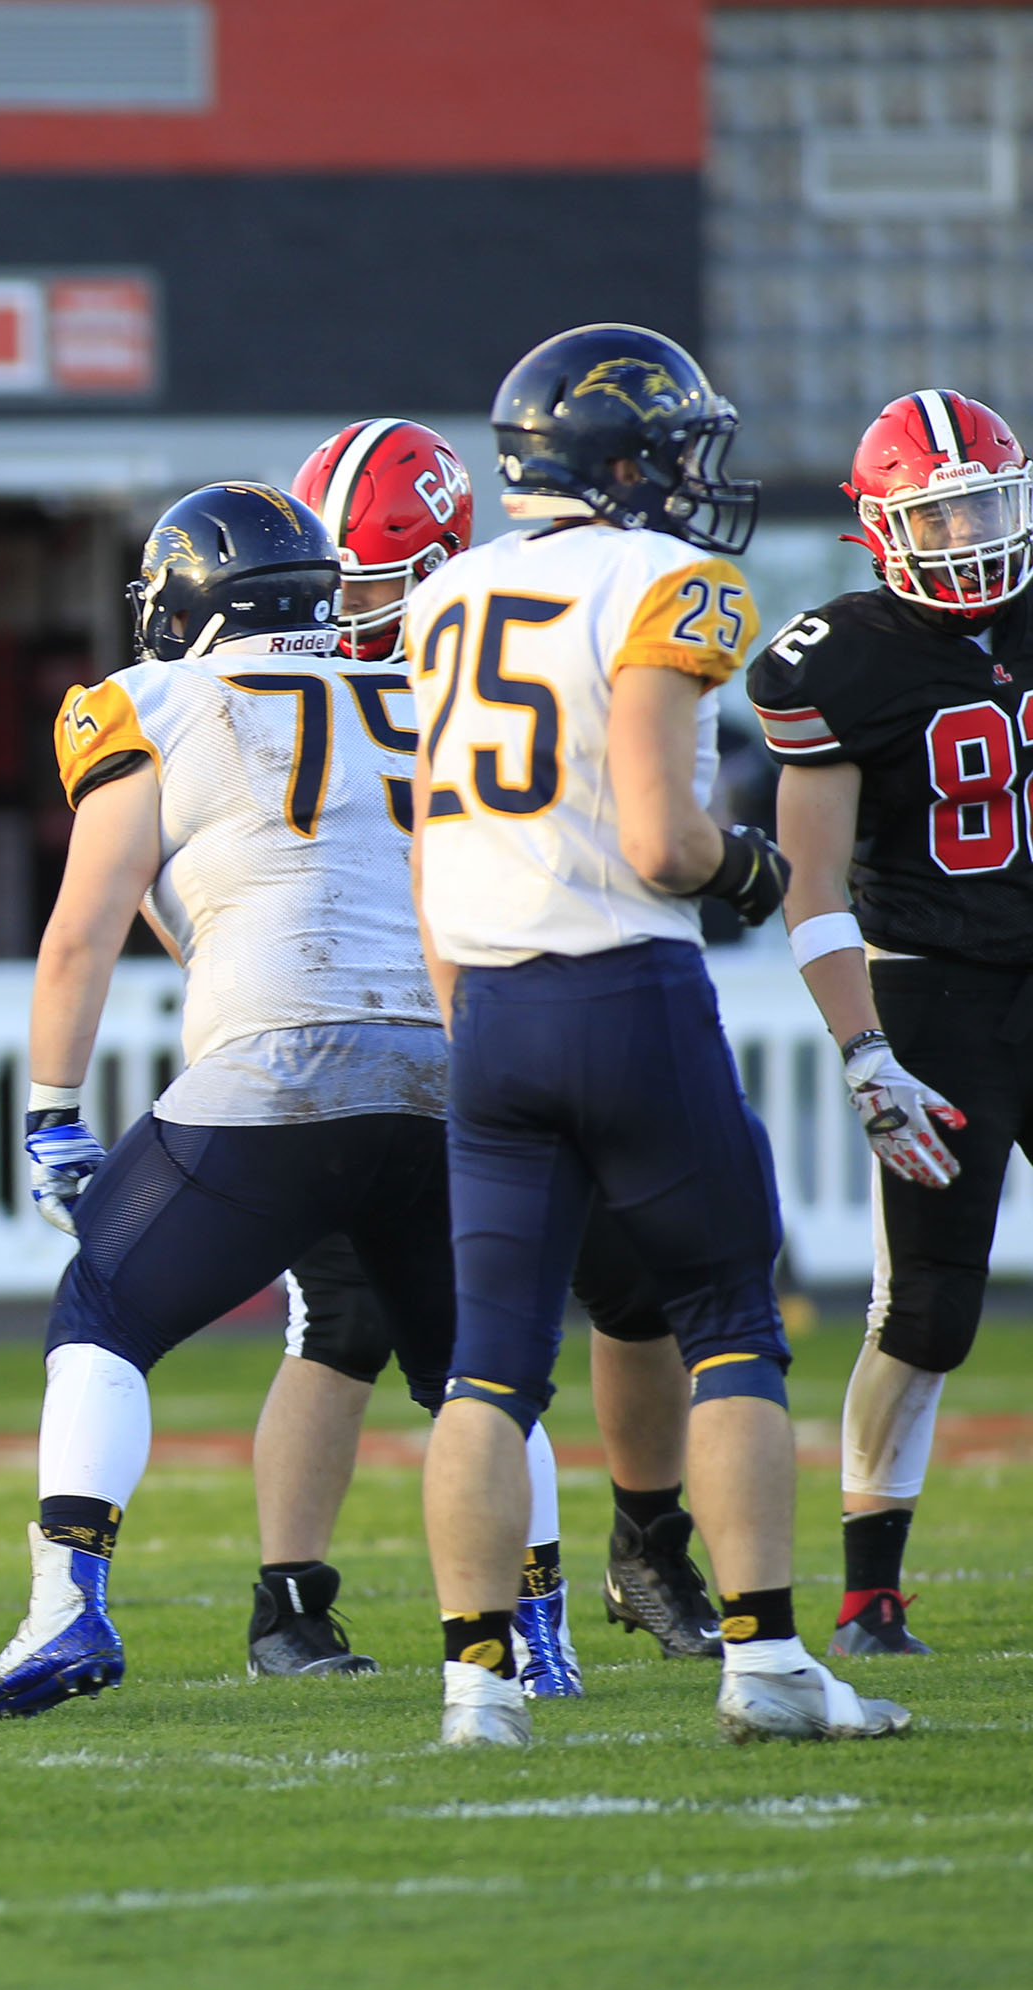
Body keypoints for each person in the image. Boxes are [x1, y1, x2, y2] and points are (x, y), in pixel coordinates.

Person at [406, 322, 905, 1747]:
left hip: (488, 1005)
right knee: (733, 1330)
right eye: (676, 453)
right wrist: (740, 865)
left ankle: (475, 1686)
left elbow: (435, 852)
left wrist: (480, 1031)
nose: (691, 481)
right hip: (622, 990)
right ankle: (766, 1664)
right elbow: (659, 835)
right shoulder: (663, 580)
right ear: (621, 460)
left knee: (489, 1371)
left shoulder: (447, 598)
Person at [0, 481, 464, 1719]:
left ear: (185, 604)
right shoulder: (423, 693)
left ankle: (67, 1611)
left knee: (102, 1312)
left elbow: (82, 931)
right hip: (447, 1065)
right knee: (478, 1376)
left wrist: (53, 1116)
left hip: (278, 1061)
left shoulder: (149, 701)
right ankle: (532, 1633)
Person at [249, 420, 721, 1687]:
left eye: (358, 586)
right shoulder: (270, 688)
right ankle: (290, 1599)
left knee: (628, 1289)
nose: (332, 617)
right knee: (344, 1316)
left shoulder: (477, 643)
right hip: (365, 1037)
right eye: (318, 585)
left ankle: (642, 1540)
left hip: (507, 1011)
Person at [748, 388, 1033, 1658]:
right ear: (879, 528)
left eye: (987, 500)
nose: (973, 530)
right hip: (933, 988)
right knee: (925, 1309)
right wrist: (867, 1050)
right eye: (942, 509)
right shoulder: (842, 660)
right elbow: (811, 886)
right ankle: (870, 1594)